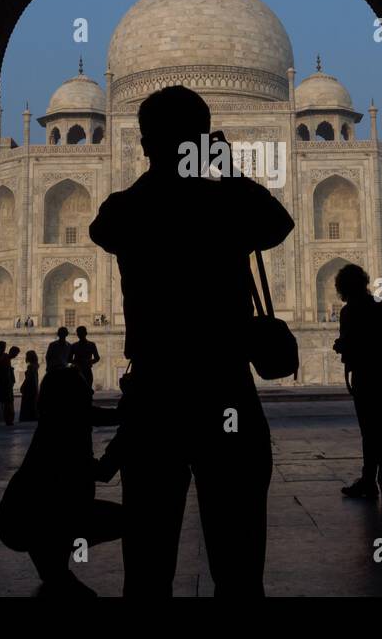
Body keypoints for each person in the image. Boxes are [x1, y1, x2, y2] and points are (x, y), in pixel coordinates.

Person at [89, 85, 294, 597]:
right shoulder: (227, 204)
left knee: (149, 560)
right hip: (224, 387)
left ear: (142, 143)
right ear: (203, 142)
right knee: (238, 556)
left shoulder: (127, 209)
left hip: (157, 393)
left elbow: (103, 228)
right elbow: (277, 223)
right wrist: (221, 170)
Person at [0, 369, 122, 597]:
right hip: (27, 520)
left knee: (58, 513)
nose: (91, 391)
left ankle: (52, 568)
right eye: (85, 388)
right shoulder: (62, 430)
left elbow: (111, 415)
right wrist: (123, 443)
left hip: (17, 518)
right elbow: (103, 472)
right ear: (71, 396)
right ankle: (53, 565)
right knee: (124, 520)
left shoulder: (60, 416)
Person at [332, 264, 382, 502]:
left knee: (370, 430)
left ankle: (371, 481)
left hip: (365, 372)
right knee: (380, 427)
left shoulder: (348, 312)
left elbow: (348, 342)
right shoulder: (379, 306)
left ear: (343, 288)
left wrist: (346, 343)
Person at [0, 342, 18, 426]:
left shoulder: (3, 356)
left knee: (4, 402)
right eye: (3, 347)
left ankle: (9, 420)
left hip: (4, 382)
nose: (4, 348)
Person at [70, 326, 101, 390]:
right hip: (80, 370)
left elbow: (97, 358)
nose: (80, 335)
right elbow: (97, 358)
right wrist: (88, 361)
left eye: (81, 333)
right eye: (79, 333)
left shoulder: (75, 345)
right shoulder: (91, 344)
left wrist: (88, 362)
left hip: (83, 370)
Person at [19, 350, 41, 422]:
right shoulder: (35, 366)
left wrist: (23, 386)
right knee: (32, 404)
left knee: (27, 404)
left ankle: (27, 417)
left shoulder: (31, 367)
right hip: (32, 387)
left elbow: (29, 378)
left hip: (29, 388)